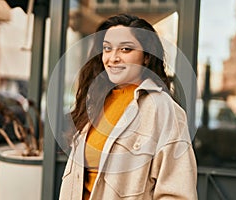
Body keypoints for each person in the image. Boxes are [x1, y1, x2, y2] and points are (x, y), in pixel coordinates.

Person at [59, 14, 197, 200]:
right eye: (107, 49)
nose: (113, 58)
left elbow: (177, 193)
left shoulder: (164, 110)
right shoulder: (96, 101)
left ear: (146, 57)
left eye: (125, 49)